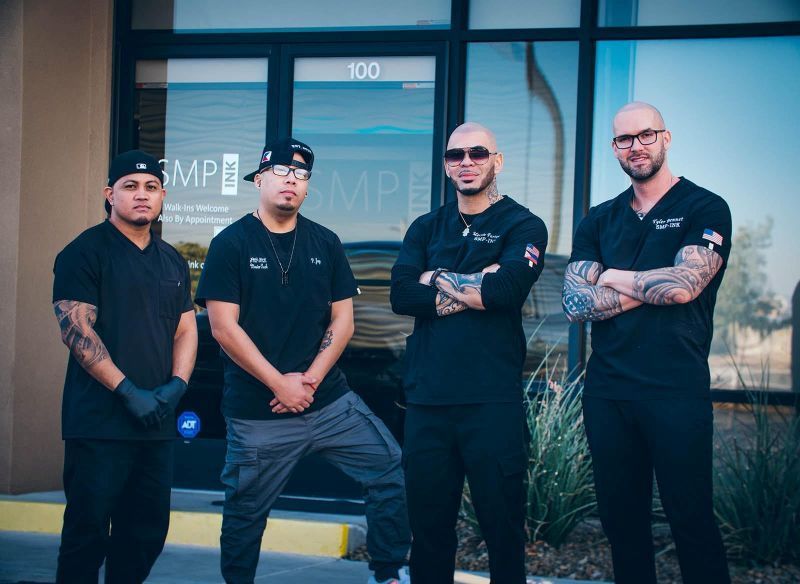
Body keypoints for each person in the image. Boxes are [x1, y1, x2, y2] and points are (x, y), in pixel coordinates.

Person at [194, 138, 411, 584]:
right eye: (280, 170)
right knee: (245, 512)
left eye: (300, 174)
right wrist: (280, 384)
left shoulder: (325, 242)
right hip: (259, 413)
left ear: (308, 187)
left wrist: (308, 381)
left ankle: (388, 573)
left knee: (389, 469)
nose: (290, 180)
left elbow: (343, 321)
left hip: (329, 403)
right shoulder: (231, 244)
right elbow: (223, 329)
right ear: (259, 179)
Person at [562, 102, 731, 584]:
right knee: (622, 525)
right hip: (608, 393)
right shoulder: (599, 219)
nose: (635, 146)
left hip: (676, 389)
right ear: (614, 148)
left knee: (691, 521)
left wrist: (610, 275)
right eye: (624, 139)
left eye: (645, 135)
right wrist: (653, 284)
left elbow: (683, 286)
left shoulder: (704, 207)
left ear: (666, 138)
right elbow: (574, 302)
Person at [390, 122, 548, 583]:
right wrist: (475, 282)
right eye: (455, 155)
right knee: (429, 534)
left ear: (498, 161)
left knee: (503, 532)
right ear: (446, 166)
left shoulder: (523, 224)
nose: (466, 162)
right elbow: (401, 294)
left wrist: (433, 277)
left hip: (491, 403)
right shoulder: (426, 227)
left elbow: (505, 289)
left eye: (478, 153)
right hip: (428, 403)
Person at [52, 150, 198, 583]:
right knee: (86, 535)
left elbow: (186, 329)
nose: (141, 194)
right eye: (130, 186)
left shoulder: (172, 259)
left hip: (156, 422)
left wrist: (176, 386)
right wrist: (127, 391)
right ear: (109, 194)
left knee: (145, 534)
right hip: (99, 423)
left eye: (151, 187)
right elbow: (77, 330)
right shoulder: (84, 251)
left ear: (162, 196)